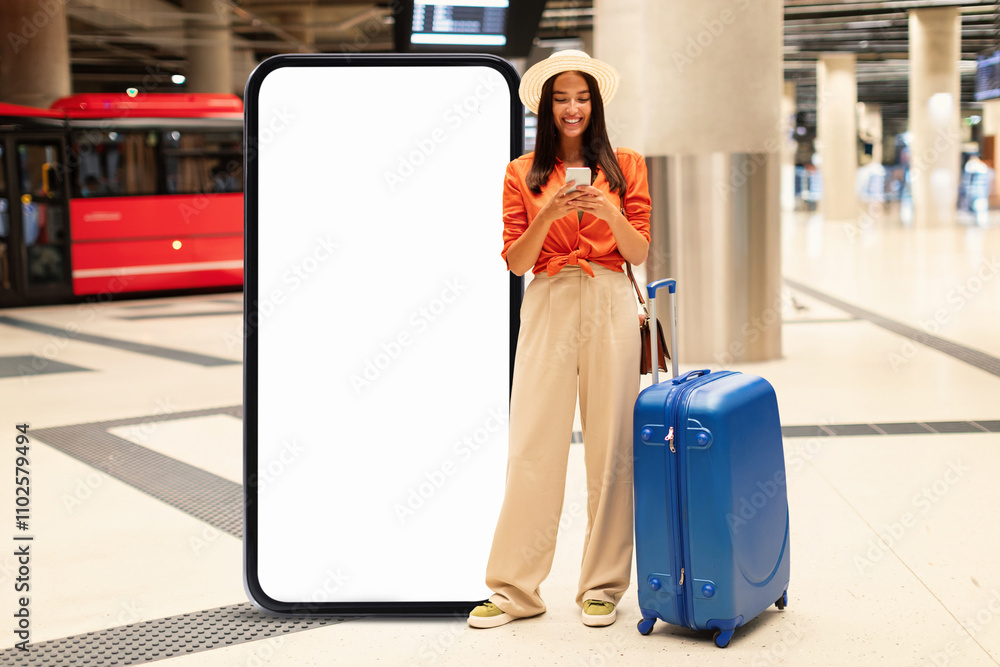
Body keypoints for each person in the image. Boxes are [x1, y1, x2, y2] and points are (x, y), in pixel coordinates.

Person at [468, 50, 651, 629]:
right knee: (532, 445)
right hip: (546, 299)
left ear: (596, 104)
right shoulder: (521, 172)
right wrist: (548, 214)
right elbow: (516, 261)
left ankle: (602, 585)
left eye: (582, 97)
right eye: (561, 98)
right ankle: (515, 590)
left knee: (613, 449)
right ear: (546, 106)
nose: (572, 107)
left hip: (608, 298)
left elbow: (640, 251)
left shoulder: (627, 165)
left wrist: (605, 208)